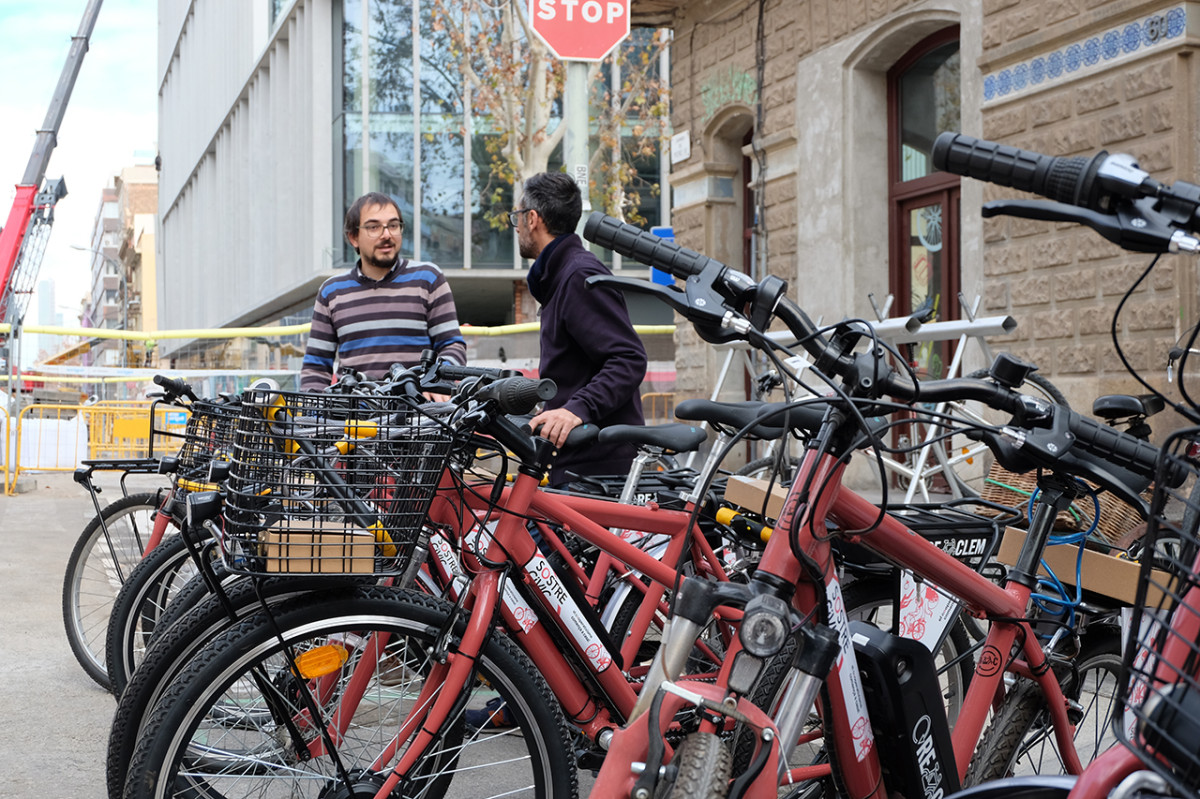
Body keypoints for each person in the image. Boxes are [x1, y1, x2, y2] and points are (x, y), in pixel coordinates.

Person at [517, 172, 648, 487]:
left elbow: (628, 359)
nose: (517, 226)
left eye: (517, 217)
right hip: (575, 460)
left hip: (596, 465)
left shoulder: (577, 276)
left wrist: (576, 409)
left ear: (532, 218)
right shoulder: (560, 276)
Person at [300, 192, 466, 391]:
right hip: (354, 414)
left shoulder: (428, 278)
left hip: (420, 413)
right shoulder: (331, 291)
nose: (386, 234)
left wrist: (438, 383)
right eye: (373, 227)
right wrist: (311, 416)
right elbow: (316, 368)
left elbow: (452, 347)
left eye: (393, 225)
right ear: (353, 237)